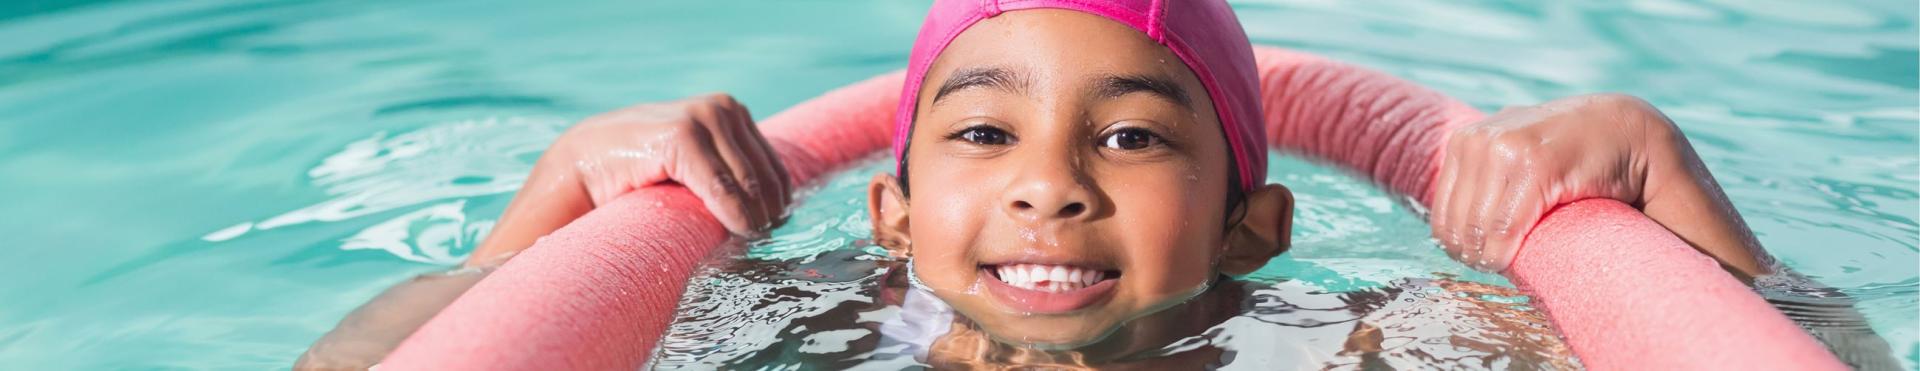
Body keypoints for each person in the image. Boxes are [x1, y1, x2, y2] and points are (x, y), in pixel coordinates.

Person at [299, 0, 1891, 369]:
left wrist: (1676, 204)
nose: (1051, 188)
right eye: (982, 135)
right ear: (891, 210)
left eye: (1133, 137)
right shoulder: (784, 315)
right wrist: (551, 209)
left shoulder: (1374, 341)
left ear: (1257, 225)